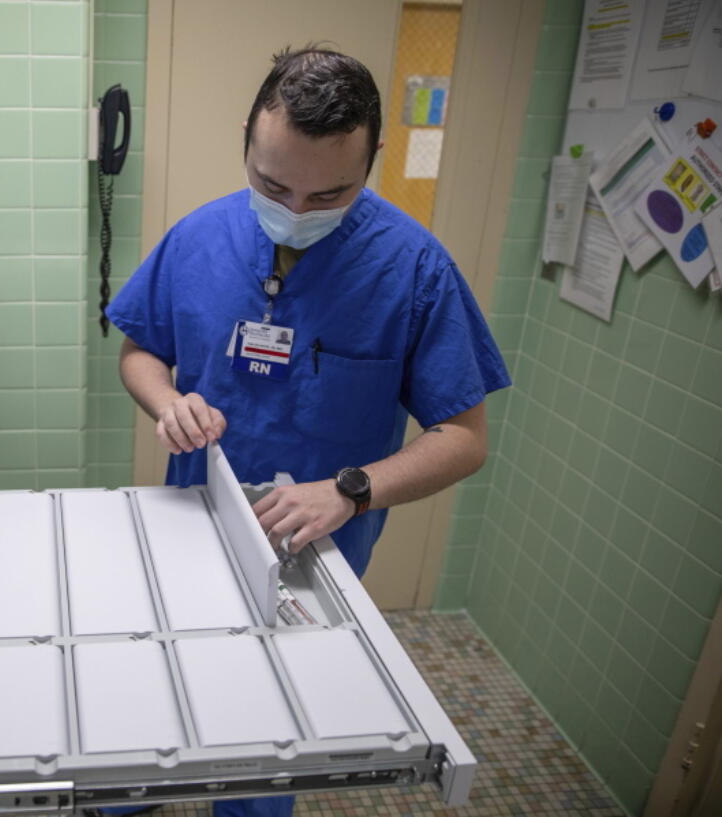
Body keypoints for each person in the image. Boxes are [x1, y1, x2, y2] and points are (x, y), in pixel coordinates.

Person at [91, 46, 510, 817]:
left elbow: (465, 435)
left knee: (262, 750)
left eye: (331, 194)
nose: (297, 209)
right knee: (145, 715)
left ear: (372, 159)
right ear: (247, 138)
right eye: (274, 184)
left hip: (312, 567)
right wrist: (165, 402)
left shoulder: (415, 270)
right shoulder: (198, 238)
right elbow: (139, 351)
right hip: (189, 533)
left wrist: (354, 488)